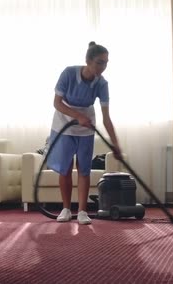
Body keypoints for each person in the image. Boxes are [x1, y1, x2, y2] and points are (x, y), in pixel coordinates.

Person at [47, 41, 122, 225]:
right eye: (99, 62)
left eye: (106, 63)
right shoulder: (69, 74)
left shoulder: (102, 84)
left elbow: (106, 118)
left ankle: (82, 211)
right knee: (65, 168)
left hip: (86, 127)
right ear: (87, 60)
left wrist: (115, 144)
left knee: (84, 169)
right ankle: (65, 209)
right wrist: (77, 115)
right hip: (64, 122)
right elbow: (57, 103)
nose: (103, 67)